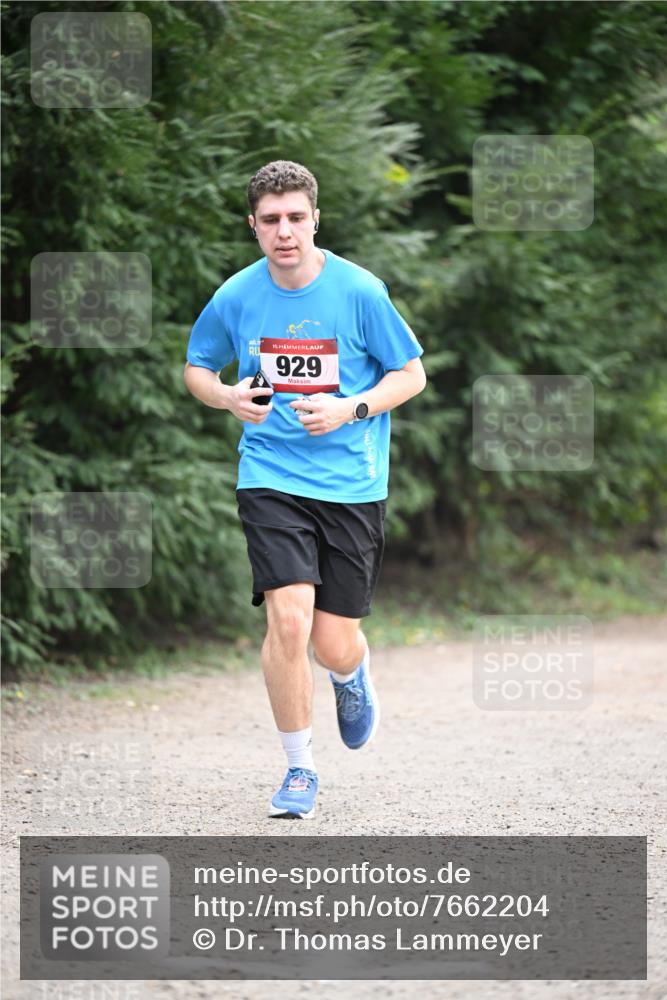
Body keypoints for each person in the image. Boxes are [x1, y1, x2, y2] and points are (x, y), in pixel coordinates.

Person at [184, 160, 426, 819]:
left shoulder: (359, 292)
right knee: (287, 618)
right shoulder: (236, 295)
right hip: (270, 475)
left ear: (314, 218)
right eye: (270, 221)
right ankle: (298, 768)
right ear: (253, 226)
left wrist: (352, 409)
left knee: (330, 641)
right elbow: (197, 367)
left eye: (295, 217)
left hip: (349, 483)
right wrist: (228, 396)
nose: (284, 232)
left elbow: (410, 375)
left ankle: (350, 674)